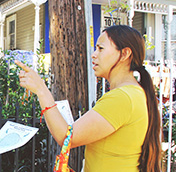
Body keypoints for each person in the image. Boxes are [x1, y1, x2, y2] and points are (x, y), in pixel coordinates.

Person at [15, 25, 161, 172]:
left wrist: (41, 89)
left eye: (101, 48)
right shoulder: (132, 93)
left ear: (125, 54)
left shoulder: (122, 97)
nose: (94, 54)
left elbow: (66, 137)